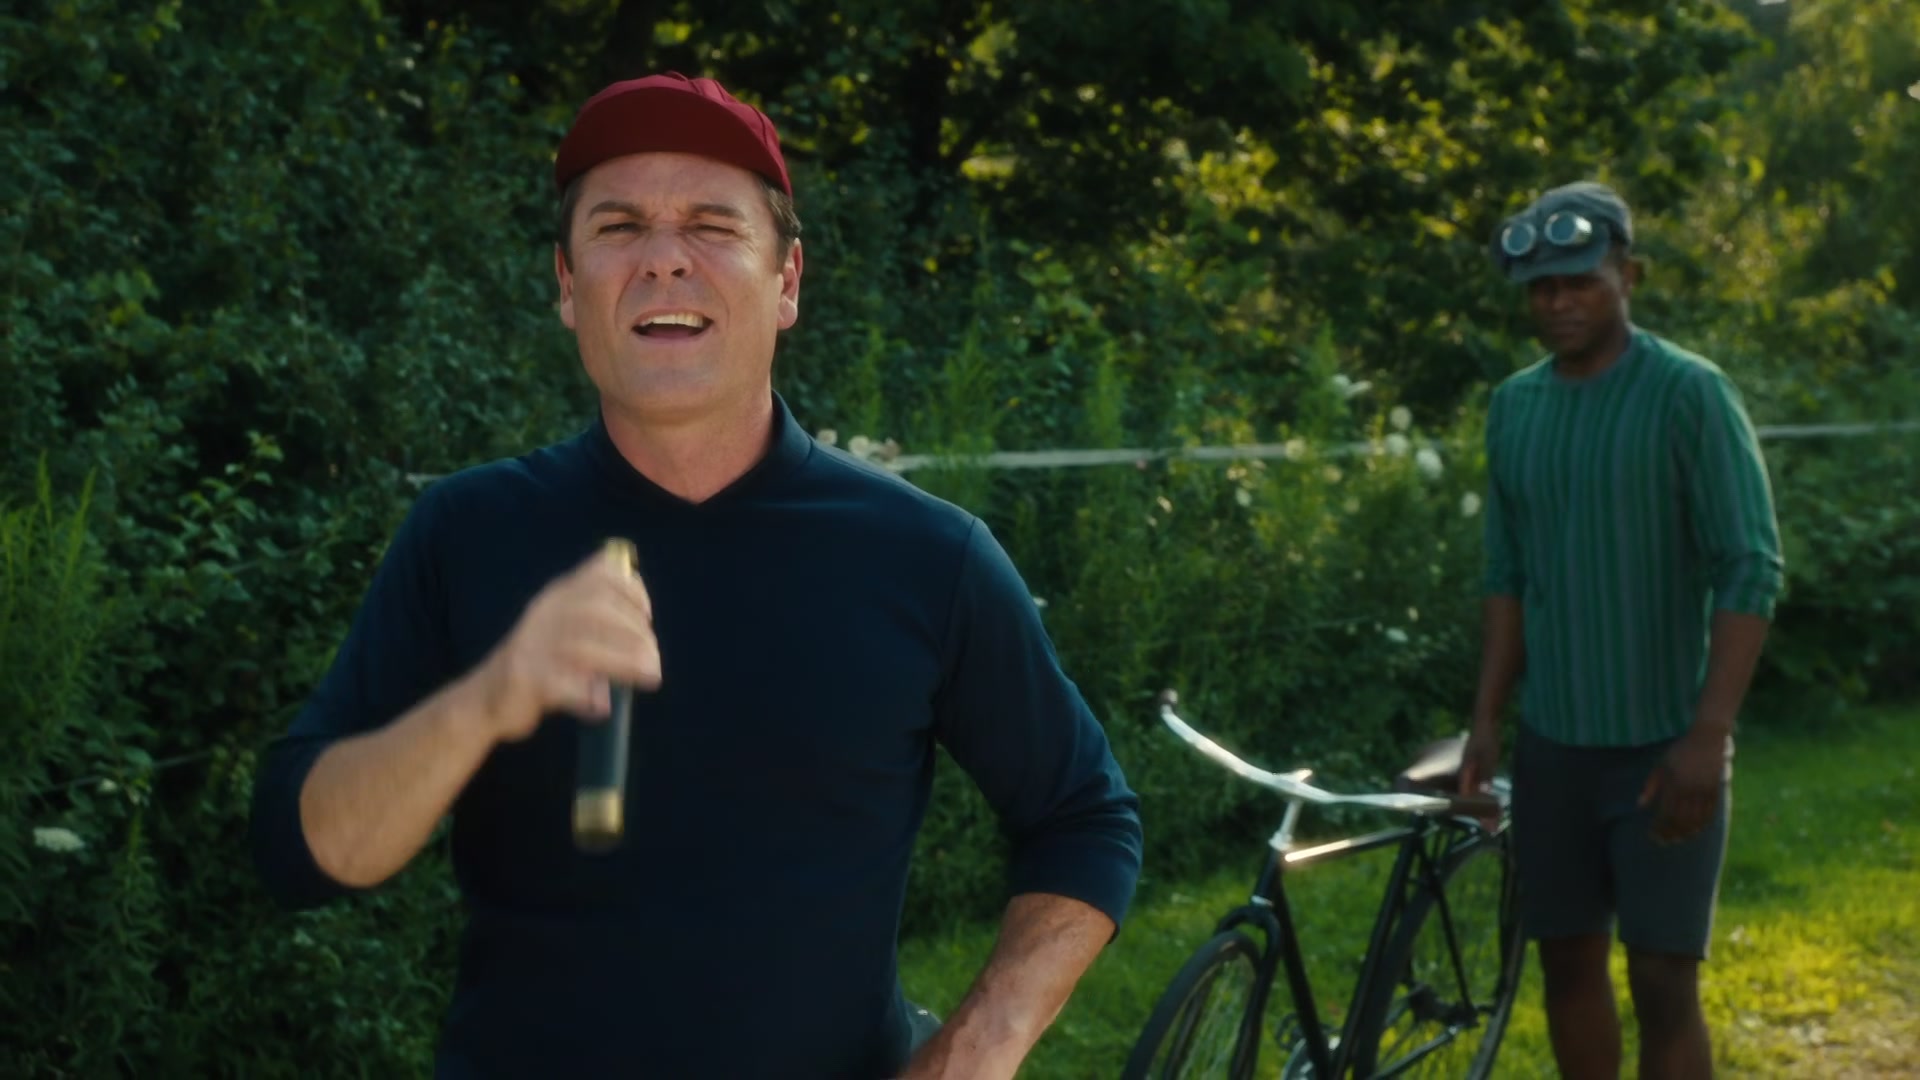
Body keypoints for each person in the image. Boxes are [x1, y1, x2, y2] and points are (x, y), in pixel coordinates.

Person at [249, 71, 1143, 1079]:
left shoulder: (926, 557)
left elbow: (1083, 816)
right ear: (566, 284)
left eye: (713, 226)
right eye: (619, 226)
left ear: (788, 280)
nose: (664, 258)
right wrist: (486, 699)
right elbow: (299, 852)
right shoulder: (467, 532)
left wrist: (978, 1048)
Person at [1458, 181, 1784, 1080]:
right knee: (1566, 965)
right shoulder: (1515, 406)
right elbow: (1506, 577)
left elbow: (1750, 565)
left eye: (1581, 282)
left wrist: (1707, 738)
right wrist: (1485, 723)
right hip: (1554, 750)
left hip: (1662, 751)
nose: (1559, 303)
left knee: (1663, 981)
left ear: (1628, 277)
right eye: (1542, 288)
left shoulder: (1689, 393)